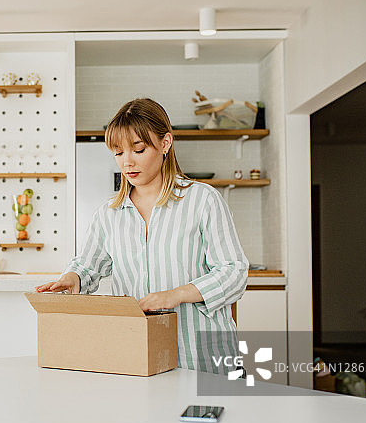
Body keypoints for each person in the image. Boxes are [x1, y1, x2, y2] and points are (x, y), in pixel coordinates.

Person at [36, 98, 248, 374]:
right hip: (140, 357)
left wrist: (177, 295)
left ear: (165, 143)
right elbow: (87, 266)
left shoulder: (203, 200)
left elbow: (234, 273)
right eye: (118, 152)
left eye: (138, 149)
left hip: (204, 358)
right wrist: (73, 277)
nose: (127, 162)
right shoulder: (108, 214)